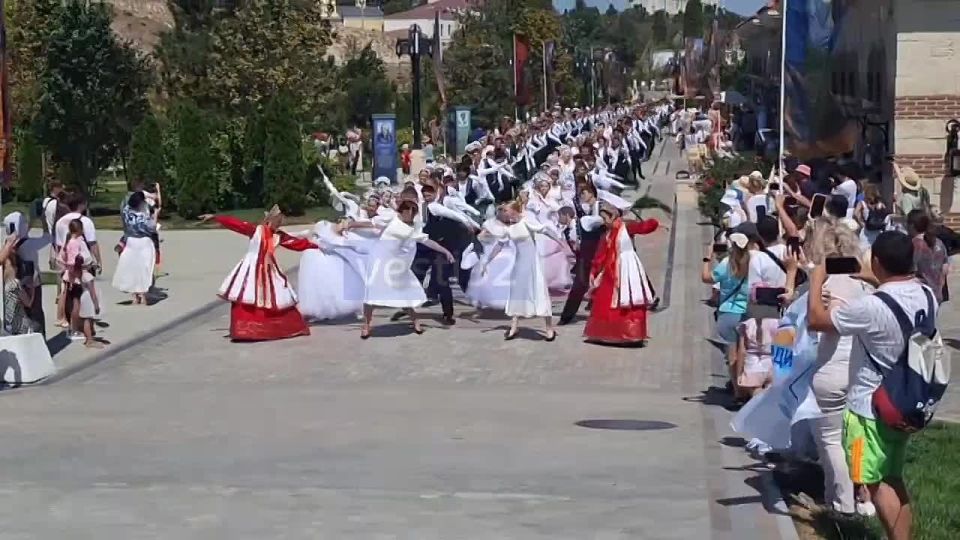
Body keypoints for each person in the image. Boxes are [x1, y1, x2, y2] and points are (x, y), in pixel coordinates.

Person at [807, 231, 938, 540]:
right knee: (893, 477)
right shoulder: (927, 294)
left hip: (869, 408)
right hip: (904, 399)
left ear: (876, 262)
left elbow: (817, 320)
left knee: (874, 483)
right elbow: (898, 296)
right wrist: (874, 277)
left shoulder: (871, 306)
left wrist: (816, 279)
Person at [786, 221, 874, 516]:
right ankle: (858, 496)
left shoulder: (829, 284)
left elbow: (823, 323)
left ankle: (841, 504)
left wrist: (814, 288)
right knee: (854, 439)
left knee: (831, 442)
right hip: (858, 370)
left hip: (831, 369)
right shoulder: (862, 282)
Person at [200, 206, 318, 342]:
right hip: (251, 266)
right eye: (277, 220)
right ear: (269, 220)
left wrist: (317, 246)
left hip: (269, 268)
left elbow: (296, 243)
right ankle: (245, 330)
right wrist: (216, 218)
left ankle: (273, 328)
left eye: (280, 221)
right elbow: (237, 224)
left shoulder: (278, 235)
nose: (279, 223)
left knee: (275, 295)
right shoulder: (256, 230)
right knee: (248, 293)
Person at [360, 200, 455, 339]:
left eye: (414, 213)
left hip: (396, 264)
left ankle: (416, 322)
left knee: (405, 294)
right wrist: (350, 225)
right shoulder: (391, 217)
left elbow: (426, 241)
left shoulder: (412, 228)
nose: (412, 216)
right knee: (371, 293)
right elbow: (371, 223)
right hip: (379, 260)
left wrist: (445, 251)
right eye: (410, 212)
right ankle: (366, 326)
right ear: (404, 211)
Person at [482, 201, 564, 341]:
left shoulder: (526, 222)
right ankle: (514, 326)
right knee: (517, 294)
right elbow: (499, 245)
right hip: (519, 265)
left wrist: (560, 242)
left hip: (533, 264)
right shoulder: (509, 228)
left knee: (539, 293)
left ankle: (549, 328)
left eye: (506, 211)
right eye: (503, 211)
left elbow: (545, 230)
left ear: (514, 210)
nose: (505, 214)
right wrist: (487, 261)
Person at [583, 204, 659, 345]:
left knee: (629, 298)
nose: (604, 221)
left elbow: (644, 227)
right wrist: (595, 270)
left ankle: (632, 333)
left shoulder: (626, 227)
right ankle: (609, 333)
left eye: (605, 218)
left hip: (627, 266)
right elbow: (601, 254)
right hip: (611, 269)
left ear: (613, 216)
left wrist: (652, 223)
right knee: (606, 298)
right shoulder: (607, 234)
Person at [701, 232, 751, 394]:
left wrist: (707, 259)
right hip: (747, 312)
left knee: (732, 353)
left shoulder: (726, 264)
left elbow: (706, 278)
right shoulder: (753, 263)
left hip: (727, 312)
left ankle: (737, 390)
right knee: (746, 352)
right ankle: (747, 384)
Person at [296, 220, 366, 322]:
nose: (344, 230)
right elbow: (331, 242)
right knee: (323, 284)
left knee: (334, 283)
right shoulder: (324, 226)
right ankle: (320, 310)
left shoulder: (336, 232)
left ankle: (351, 308)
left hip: (326, 255)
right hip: (318, 258)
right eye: (344, 227)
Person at [559, 183, 604, 325]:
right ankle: (568, 315)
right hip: (587, 257)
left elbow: (602, 221)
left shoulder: (593, 213)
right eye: (580, 195)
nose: (582, 197)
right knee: (582, 285)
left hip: (596, 255)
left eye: (583, 193)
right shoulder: (585, 215)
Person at [54, 194, 101, 327]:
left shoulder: (60, 221)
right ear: (81, 205)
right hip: (80, 266)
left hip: (66, 264)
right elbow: (92, 243)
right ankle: (79, 321)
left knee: (64, 291)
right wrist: (98, 260)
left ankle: (62, 317)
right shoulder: (85, 221)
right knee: (80, 296)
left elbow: (58, 244)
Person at [60, 220, 101, 347]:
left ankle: (81, 329)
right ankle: (77, 329)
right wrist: (80, 274)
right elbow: (75, 262)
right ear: (79, 229)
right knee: (78, 305)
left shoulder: (72, 241)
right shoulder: (75, 243)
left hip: (76, 275)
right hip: (79, 277)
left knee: (76, 303)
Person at [112, 192, 157, 305]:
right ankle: (143, 294)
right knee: (144, 269)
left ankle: (135, 296)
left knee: (132, 268)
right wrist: (155, 215)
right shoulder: (143, 215)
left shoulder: (126, 211)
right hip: (144, 241)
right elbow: (152, 228)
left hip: (131, 241)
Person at [907, 210, 949, 304]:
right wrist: (939, 285)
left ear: (912, 225)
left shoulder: (914, 244)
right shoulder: (939, 242)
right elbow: (945, 267)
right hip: (937, 294)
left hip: (921, 296)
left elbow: (910, 272)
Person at [2, 247, 41, 336]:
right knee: (37, 325)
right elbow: (28, 303)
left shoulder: (3, 285)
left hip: (8, 323)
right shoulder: (15, 284)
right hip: (20, 326)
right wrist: (32, 287)